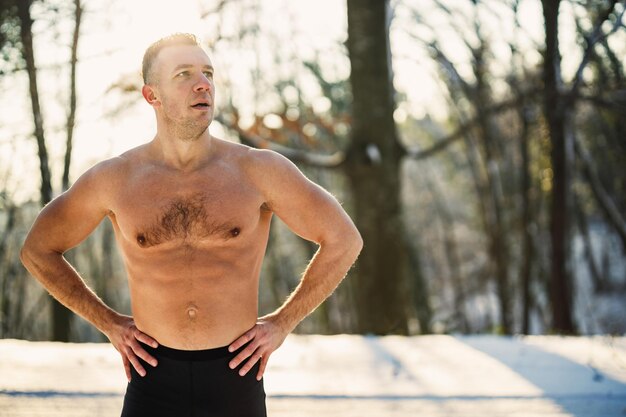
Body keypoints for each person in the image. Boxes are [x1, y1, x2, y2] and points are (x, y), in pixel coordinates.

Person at [20, 33, 363, 417]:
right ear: (152, 96)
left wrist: (283, 323)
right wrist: (110, 324)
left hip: (236, 377)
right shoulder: (115, 179)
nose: (203, 84)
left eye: (208, 73)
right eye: (184, 74)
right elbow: (37, 250)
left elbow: (343, 239)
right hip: (152, 379)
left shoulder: (258, 170)